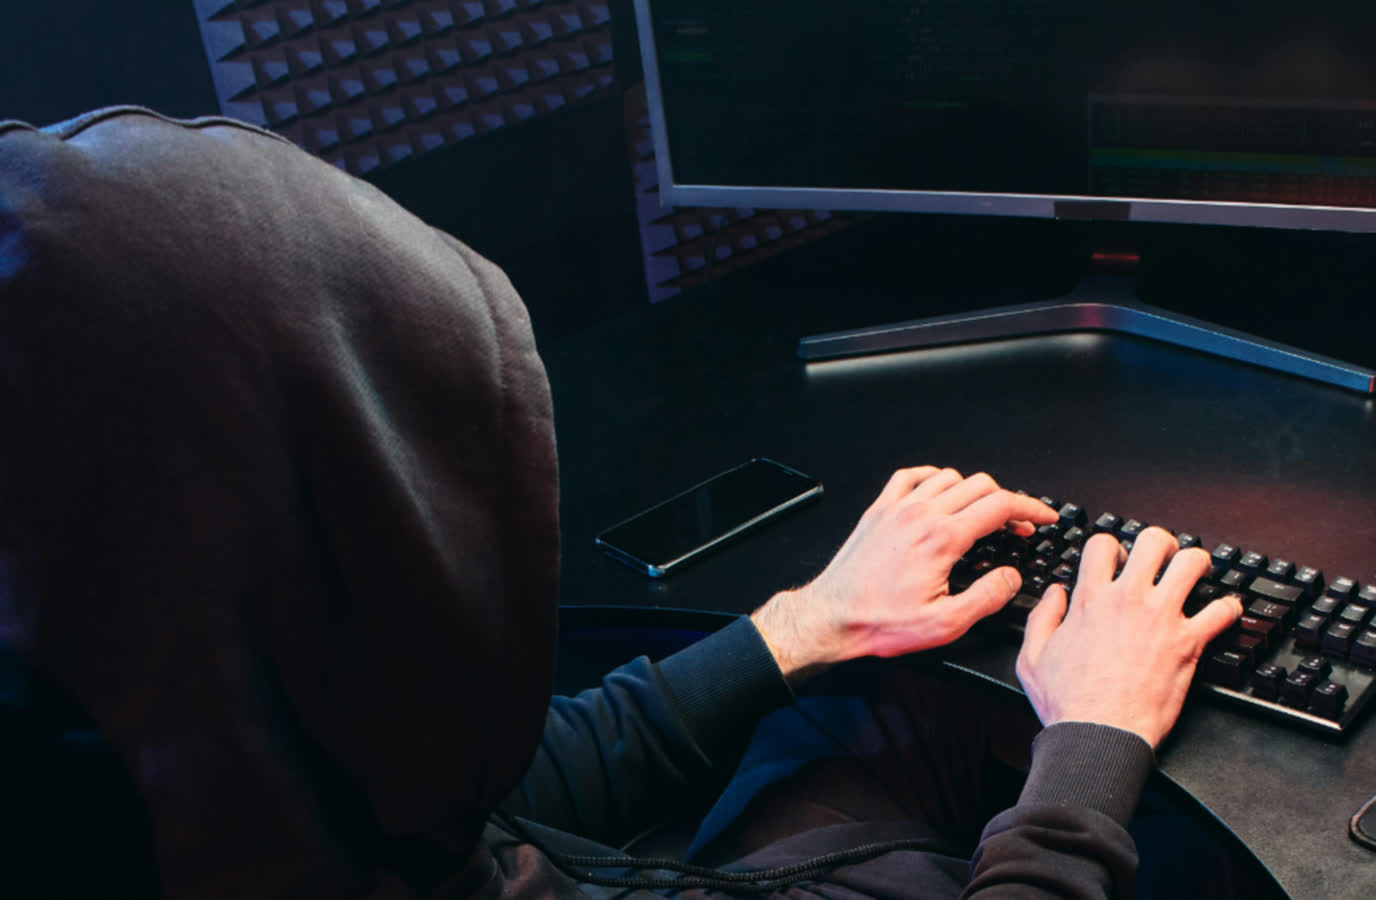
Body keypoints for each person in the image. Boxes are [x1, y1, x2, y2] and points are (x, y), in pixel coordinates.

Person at [0, 107, 1242, 899]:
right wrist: (1092, 750)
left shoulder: (166, 789)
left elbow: (486, 796)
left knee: (880, 697)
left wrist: (801, 625)